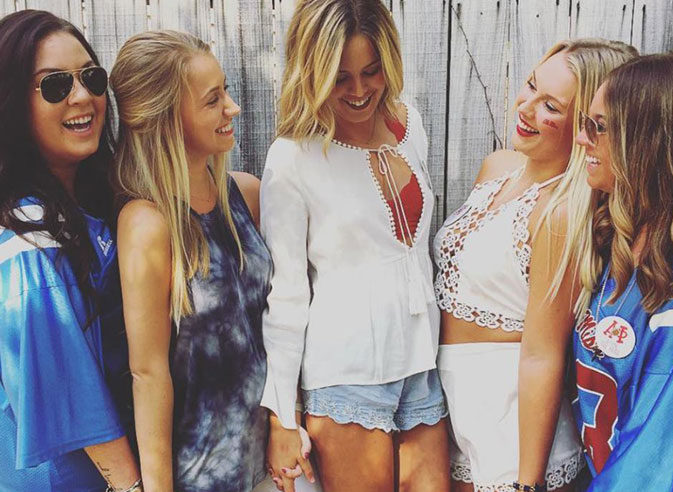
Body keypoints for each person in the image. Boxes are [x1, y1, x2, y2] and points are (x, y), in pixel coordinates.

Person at [260, 1, 449, 491]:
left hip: (422, 363)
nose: (360, 91)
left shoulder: (411, 127)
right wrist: (282, 416)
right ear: (313, 73)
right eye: (340, 78)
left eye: (371, 71)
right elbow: (287, 293)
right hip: (346, 373)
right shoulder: (292, 158)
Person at [434, 39, 637, 492]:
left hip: (510, 419)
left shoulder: (560, 213)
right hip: (452, 405)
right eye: (531, 86)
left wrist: (528, 482)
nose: (525, 108)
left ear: (584, 125)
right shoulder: (496, 167)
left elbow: (543, 353)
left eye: (551, 106)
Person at [110, 30, 273, 492]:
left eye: (226, 91)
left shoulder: (247, 196)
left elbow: (281, 324)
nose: (232, 108)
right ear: (166, 119)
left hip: (268, 468)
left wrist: (286, 421)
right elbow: (148, 374)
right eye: (212, 100)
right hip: (199, 477)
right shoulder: (148, 224)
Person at [0, 9, 141, 492]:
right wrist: (132, 487)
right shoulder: (26, 237)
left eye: (90, 77)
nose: (82, 96)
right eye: (55, 85)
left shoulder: (95, 206)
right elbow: (71, 392)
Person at [572, 53, 673, 491]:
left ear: (648, 143)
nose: (582, 139)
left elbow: (652, 469)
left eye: (598, 126)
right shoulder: (617, 247)